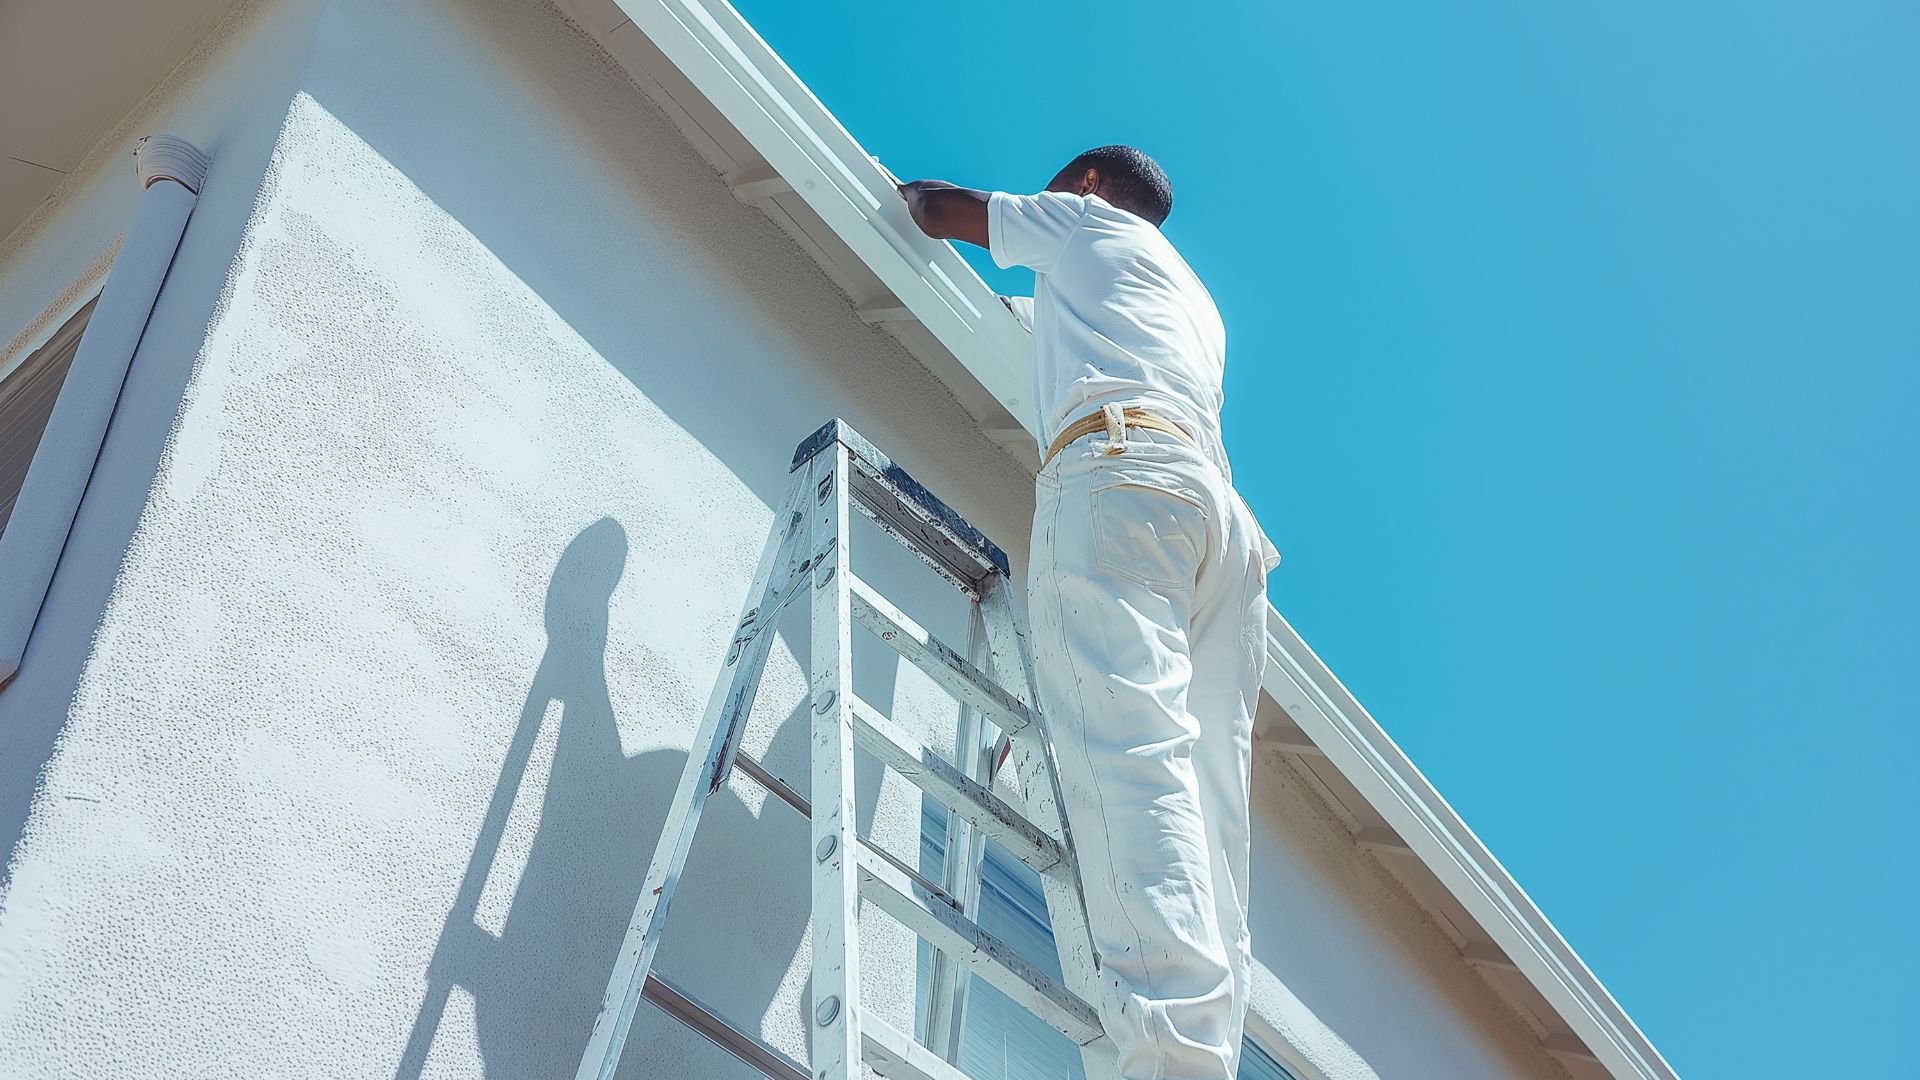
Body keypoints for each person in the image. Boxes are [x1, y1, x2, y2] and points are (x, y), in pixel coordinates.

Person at [900, 146, 1280, 1080]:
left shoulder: (1087, 223)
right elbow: (1044, 327)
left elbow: (942, 211)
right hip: (1218, 527)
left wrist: (904, 184)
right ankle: (1207, 1049)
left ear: (1094, 187)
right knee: (1201, 799)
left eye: (1060, 182)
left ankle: (1170, 1063)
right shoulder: (1195, 304)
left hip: (1124, 476)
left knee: (1127, 757)